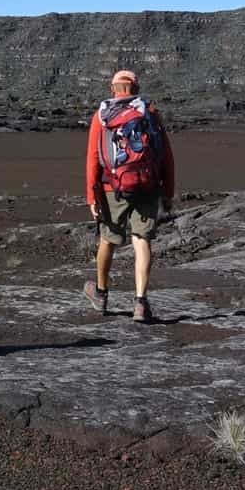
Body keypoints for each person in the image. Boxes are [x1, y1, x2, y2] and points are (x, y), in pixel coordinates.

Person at [85, 69, 176, 322]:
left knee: (108, 239)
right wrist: (167, 192)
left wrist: (92, 196)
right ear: (136, 89)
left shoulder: (101, 116)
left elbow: (93, 159)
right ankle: (140, 303)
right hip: (147, 186)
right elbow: (166, 156)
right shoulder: (150, 114)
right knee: (141, 240)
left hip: (112, 187)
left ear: (112, 88)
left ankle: (101, 294)